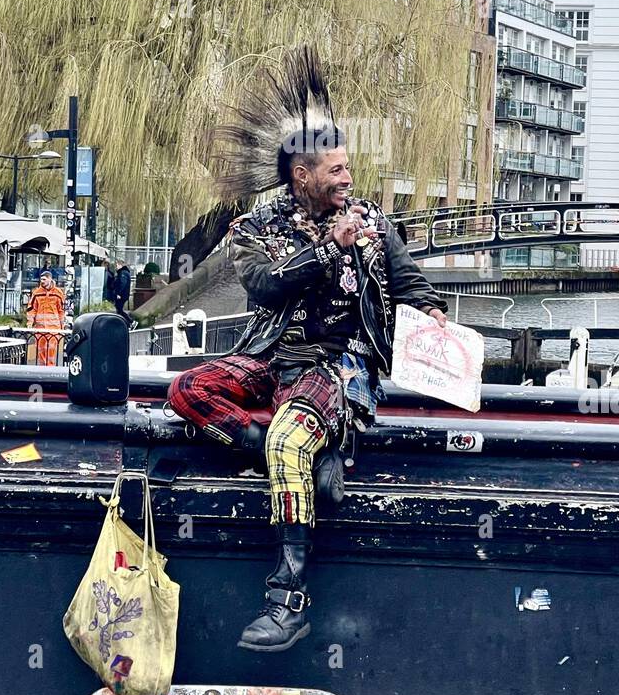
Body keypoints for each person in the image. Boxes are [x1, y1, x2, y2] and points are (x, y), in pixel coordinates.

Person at [167, 46, 447, 652]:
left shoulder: (373, 219)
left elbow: (407, 281)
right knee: (187, 391)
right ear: (303, 175)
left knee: (292, 439)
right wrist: (328, 250)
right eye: (337, 171)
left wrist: (433, 315)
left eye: (349, 169)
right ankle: (290, 455)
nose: (348, 180)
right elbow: (264, 284)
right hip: (273, 358)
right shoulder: (253, 230)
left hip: (335, 364)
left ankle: (286, 600)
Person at [27, 269, 66, 365]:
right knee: (41, 352)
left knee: (51, 352)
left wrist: (62, 326)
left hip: (54, 328)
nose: (42, 281)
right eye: (41, 279)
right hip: (40, 329)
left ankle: (50, 371)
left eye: (44, 279)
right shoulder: (36, 293)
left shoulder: (58, 293)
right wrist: (30, 323)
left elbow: (61, 310)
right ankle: (42, 371)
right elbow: (32, 309)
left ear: (50, 279)